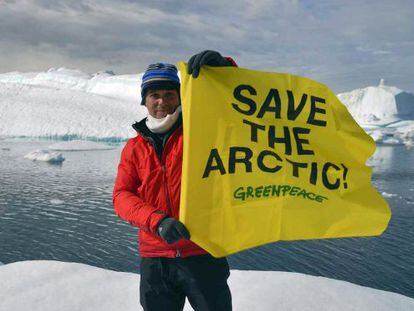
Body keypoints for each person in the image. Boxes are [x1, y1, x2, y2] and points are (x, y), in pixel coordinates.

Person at [113, 50, 237, 311]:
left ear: (180, 97)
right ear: (144, 101)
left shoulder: (200, 132)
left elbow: (233, 110)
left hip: (202, 252)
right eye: (154, 95)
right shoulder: (134, 148)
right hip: (155, 259)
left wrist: (223, 73)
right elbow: (122, 196)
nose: (162, 101)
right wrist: (157, 221)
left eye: (169, 94)